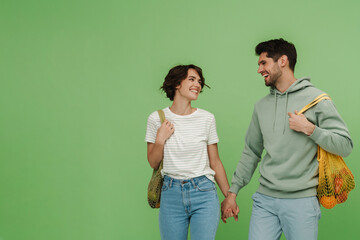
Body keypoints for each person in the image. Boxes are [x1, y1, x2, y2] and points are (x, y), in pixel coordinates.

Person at [221, 38, 353, 240]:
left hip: (302, 202)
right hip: (264, 200)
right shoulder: (261, 106)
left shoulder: (317, 100)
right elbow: (251, 152)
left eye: (263, 63)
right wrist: (233, 192)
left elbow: (345, 145)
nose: (259, 69)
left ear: (283, 61)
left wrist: (310, 129)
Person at [145, 64, 230, 240]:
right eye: (192, 79)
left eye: (199, 81)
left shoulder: (207, 118)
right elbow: (153, 163)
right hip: (171, 193)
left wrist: (229, 197)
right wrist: (161, 138)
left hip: (204, 192)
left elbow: (215, 162)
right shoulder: (156, 119)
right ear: (177, 84)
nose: (197, 85)